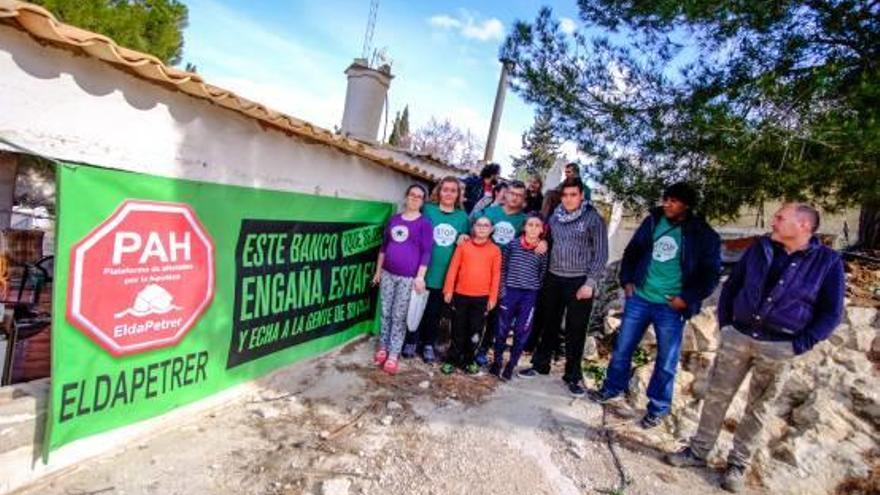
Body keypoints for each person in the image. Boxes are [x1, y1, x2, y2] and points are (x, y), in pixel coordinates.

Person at [664, 203, 845, 493]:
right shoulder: (761, 248)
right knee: (716, 397)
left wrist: (800, 343)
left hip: (780, 346)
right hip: (739, 337)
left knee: (759, 408)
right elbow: (732, 287)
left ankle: (737, 465)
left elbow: (831, 312)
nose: (774, 221)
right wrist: (726, 325)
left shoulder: (827, 262)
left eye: (781, 217)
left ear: (804, 226)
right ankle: (698, 452)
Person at [589, 183, 721, 429]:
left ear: (687, 204)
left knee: (666, 360)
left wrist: (687, 298)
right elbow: (632, 252)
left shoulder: (702, 234)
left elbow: (710, 274)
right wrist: (627, 281)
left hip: (671, 307)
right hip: (640, 297)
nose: (667, 204)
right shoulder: (653, 222)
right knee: (623, 348)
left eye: (674, 201)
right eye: (666, 199)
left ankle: (658, 407)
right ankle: (612, 389)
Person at [519, 178, 608, 397]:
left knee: (575, 330)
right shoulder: (556, 216)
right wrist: (545, 243)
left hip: (579, 281)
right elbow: (548, 239)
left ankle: (573, 376)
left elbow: (601, 254)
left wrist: (590, 282)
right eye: (565, 195)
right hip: (553, 277)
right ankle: (540, 364)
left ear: (581, 196)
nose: (568, 199)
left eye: (573, 195)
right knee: (548, 323)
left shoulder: (592, 219)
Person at [402, 177, 470, 363]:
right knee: (415, 308)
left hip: (444, 274)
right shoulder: (428, 210)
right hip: (422, 270)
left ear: (458, 195)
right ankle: (411, 341)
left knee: (434, 312)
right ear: (439, 192)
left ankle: (428, 344)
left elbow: (465, 244)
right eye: (445, 189)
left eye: (453, 190)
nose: (448, 193)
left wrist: (464, 238)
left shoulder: (463, 218)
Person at [372, 185, 433, 374]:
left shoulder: (425, 223)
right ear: (406, 197)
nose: (415, 198)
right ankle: (383, 347)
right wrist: (378, 271)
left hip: (408, 279)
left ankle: (393, 354)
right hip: (388, 274)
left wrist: (420, 277)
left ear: (423, 201)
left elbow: (426, 252)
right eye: (412, 195)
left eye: (419, 197)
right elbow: (384, 247)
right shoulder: (394, 219)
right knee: (386, 312)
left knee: (399, 316)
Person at [475, 180, 529, 365]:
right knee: (477, 310)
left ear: (523, 199)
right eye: (512, 193)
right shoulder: (490, 213)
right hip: (481, 269)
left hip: (506, 274)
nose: (514, 197)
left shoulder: (524, 221)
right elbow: (474, 232)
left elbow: (534, 238)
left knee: (496, 314)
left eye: (519, 195)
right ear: (505, 194)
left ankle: (483, 348)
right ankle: (469, 344)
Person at [441, 216, 502, 375]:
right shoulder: (463, 246)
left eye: (486, 225)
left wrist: (493, 297)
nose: (482, 228)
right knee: (457, 328)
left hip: (481, 297)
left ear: (491, 229)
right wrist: (448, 289)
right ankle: (452, 359)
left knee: (475, 330)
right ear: (473, 227)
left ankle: (469, 359)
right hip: (461, 294)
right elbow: (453, 268)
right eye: (479, 225)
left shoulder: (495, 250)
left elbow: (496, 275)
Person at [491, 214, 548, 380]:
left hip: (529, 295)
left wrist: (535, 292)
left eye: (537, 225)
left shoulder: (543, 250)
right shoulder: (513, 245)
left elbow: (542, 274)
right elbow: (503, 269)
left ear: (542, 230)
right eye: (530, 224)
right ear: (524, 227)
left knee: (521, 331)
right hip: (510, 292)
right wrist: (502, 291)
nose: (533, 228)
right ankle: (497, 361)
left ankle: (511, 365)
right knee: (501, 329)